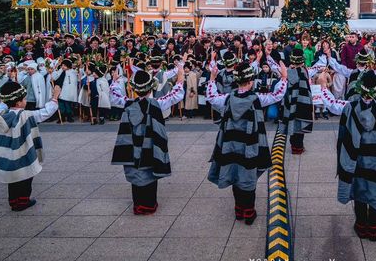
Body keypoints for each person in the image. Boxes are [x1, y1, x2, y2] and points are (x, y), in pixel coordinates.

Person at [318, 70, 376, 241]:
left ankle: (361, 226)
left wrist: (323, 87)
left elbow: (332, 104)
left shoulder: (349, 107)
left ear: (360, 89)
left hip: (357, 158)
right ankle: (373, 230)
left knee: (359, 190)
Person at [206, 60, 288, 225]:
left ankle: (239, 210)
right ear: (251, 81)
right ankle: (249, 212)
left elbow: (211, 97)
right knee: (247, 176)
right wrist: (284, 77)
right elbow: (277, 94)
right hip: (249, 146)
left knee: (235, 174)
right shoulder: (256, 98)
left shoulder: (228, 98)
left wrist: (212, 79)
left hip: (231, 145)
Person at [110, 67, 186, 215]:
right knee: (150, 171)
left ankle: (138, 205)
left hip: (133, 147)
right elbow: (175, 95)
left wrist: (114, 81)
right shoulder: (157, 103)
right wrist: (180, 80)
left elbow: (114, 95)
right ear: (151, 87)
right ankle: (149, 205)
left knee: (136, 172)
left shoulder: (128, 104)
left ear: (134, 88)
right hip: (150, 146)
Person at [0, 81, 62, 211]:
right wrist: (55, 97)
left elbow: (1, 105)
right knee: (26, 177)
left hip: (8, 155)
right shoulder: (27, 115)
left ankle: (13, 202)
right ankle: (23, 201)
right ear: (18, 102)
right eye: (24, 98)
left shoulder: (0, 114)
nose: (26, 100)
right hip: (23, 153)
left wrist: (5, 95)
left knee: (13, 179)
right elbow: (45, 112)